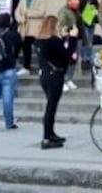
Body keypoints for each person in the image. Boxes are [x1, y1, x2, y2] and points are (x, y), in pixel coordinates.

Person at [37, 15, 77, 149]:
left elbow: (56, 54)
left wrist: (64, 38)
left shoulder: (40, 41)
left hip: (44, 76)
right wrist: (72, 38)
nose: (59, 28)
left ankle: (51, 133)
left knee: (51, 106)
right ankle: (47, 139)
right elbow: (67, 56)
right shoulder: (54, 41)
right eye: (58, 25)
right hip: (55, 76)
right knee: (51, 108)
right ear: (53, 26)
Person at [16, 0, 46, 76]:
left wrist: (28, 13)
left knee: (39, 48)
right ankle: (26, 67)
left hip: (35, 27)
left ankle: (42, 67)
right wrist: (20, 18)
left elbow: (42, 12)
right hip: (25, 27)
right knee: (26, 47)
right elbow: (17, 10)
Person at [57, 0, 81, 91]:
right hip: (68, 38)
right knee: (65, 60)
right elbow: (62, 23)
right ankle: (62, 80)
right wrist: (67, 30)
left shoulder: (77, 11)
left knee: (73, 60)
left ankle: (69, 79)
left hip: (77, 38)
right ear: (69, 0)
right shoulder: (64, 11)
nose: (77, 1)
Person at [77, 0, 100, 73]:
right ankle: (84, 59)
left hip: (91, 21)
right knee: (85, 41)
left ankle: (88, 58)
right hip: (83, 23)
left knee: (90, 41)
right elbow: (78, 7)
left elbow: (96, 5)